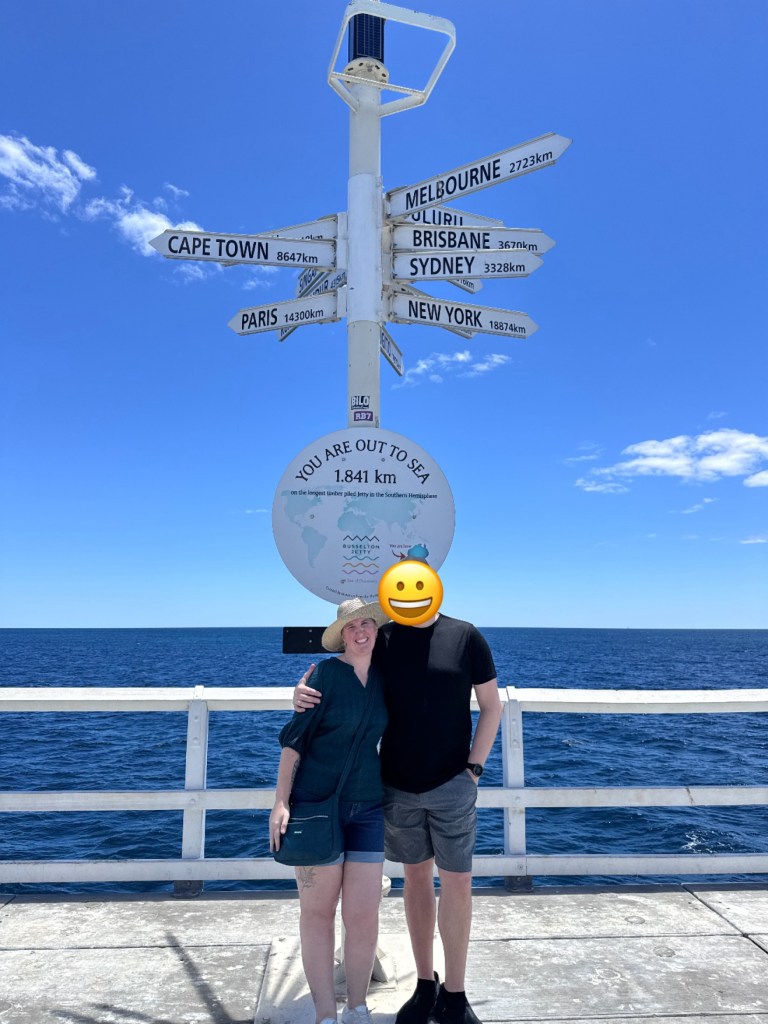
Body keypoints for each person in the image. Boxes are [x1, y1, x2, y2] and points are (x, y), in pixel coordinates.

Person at [294, 605, 502, 1024]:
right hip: (396, 787)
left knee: (458, 883)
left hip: (453, 784)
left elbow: (491, 705)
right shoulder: (385, 637)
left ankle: (455, 995)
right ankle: (425, 985)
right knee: (416, 879)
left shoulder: (466, 636)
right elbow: (349, 669)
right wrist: (303, 691)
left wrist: (473, 770)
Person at [271, 597, 390, 1024]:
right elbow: (294, 741)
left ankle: (357, 1007)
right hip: (317, 807)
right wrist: (280, 802)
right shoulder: (324, 675)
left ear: (376, 629)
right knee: (318, 914)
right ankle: (325, 1013)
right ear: (342, 636)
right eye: (351, 627)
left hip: (368, 808)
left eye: (366, 624)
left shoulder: (385, 677)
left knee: (363, 914)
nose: (360, 632)